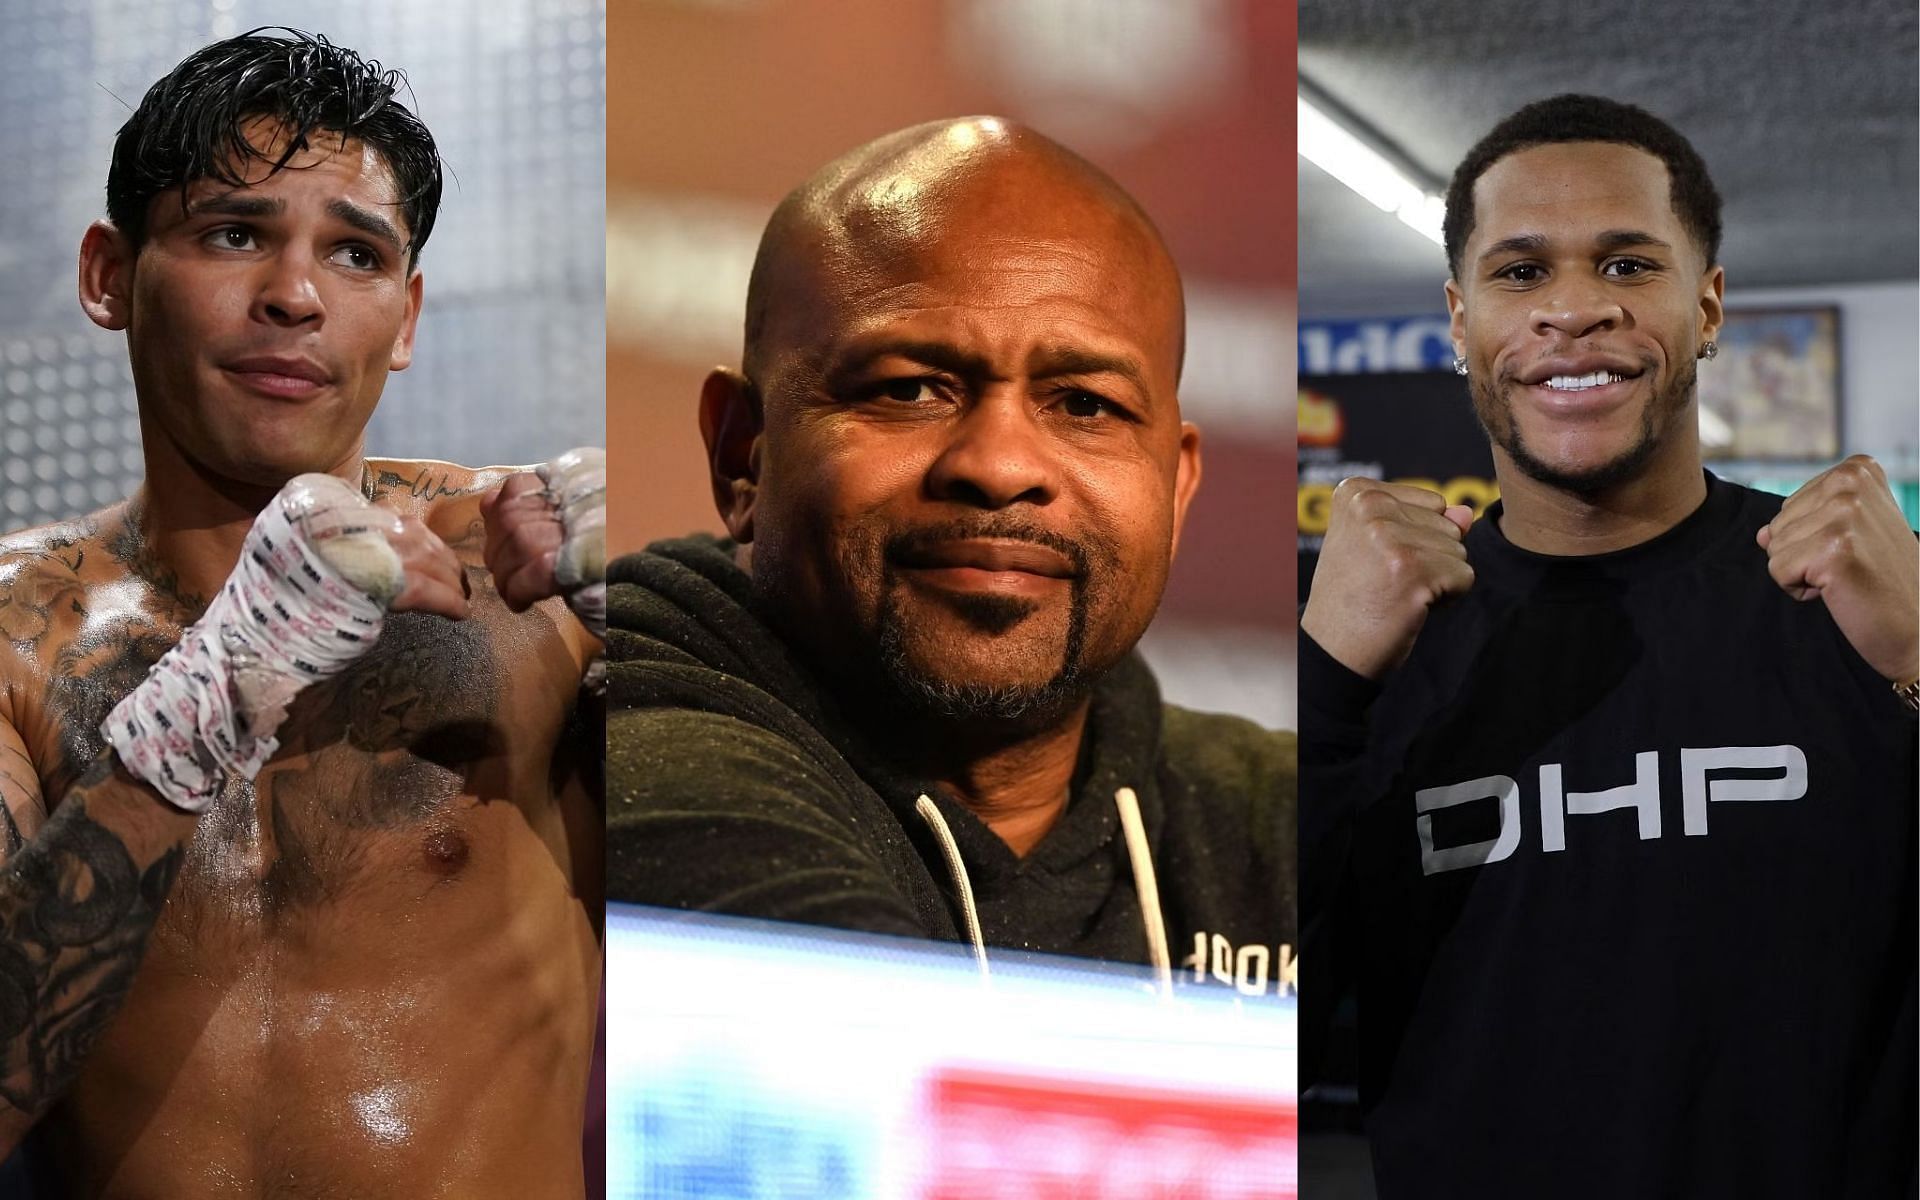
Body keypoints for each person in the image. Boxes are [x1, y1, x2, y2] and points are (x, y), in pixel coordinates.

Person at [0, 32, 604, 1196]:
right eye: (235, 234)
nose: (294, 295)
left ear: (409, 316)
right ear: (108, 276)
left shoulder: (538, 590)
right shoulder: (21, 634)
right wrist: (217, 686)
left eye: (355, 253)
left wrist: (688, 600)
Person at [1300, 94, 1917, 1197]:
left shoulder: (1862, 606)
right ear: (1459, 321)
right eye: (1521, 272)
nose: (1575, 310)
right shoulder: (1366, 645)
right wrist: (1325, 690)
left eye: (1630, 266)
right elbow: (1238, 1031)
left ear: (1710, 304)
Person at [604, 118, 1294, 995]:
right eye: (909, 389)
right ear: (743, 454)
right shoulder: (641, 745)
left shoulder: (1277, 815)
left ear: (1177, 486)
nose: (1001, 467)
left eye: (1086, 405)